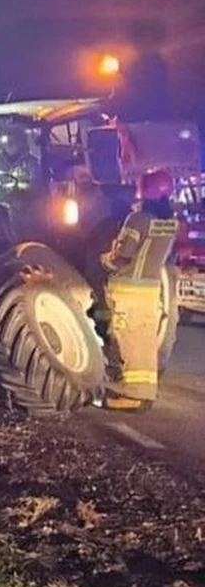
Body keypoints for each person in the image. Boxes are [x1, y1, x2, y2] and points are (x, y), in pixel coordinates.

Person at [98, 168, 179, 410]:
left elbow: (123, 255)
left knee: (130, 340)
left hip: (129, 288)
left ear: (143, 192)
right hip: (150, 289)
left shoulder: (138, 219)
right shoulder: (169, 223)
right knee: (143, 341)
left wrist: (105, 260)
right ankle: (144, 391)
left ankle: (132, 396)